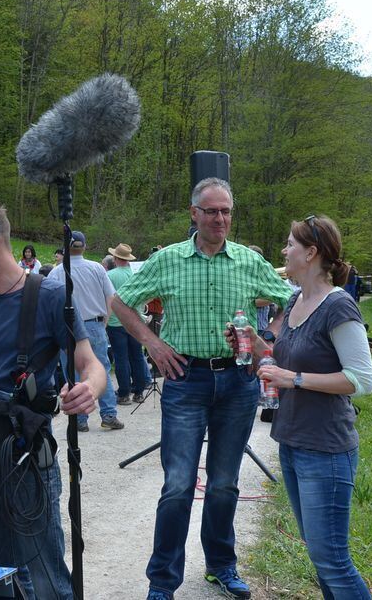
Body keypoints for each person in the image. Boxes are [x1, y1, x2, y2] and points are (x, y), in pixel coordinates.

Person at [111, 177, 293, 600]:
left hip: (238, 382)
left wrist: (268, 341)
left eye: (226, 211)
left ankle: (221, 566)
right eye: (211, 211)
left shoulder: (248, 261)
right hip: (185, 379)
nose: (220, 219)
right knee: (177, 484)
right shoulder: (169, 259)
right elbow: (120, 303)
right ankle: (162, 582)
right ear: (193, 213)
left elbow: (293, 300)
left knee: (225, 482)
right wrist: (153, 344)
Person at [0, 198, 105, 600]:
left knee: (46, 579)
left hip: (26, 458)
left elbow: (89, 361)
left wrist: (90, 389)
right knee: (0, 579)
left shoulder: (47, 294)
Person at [230, 215, 372, 599]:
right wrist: (249, 342)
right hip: (292, 442)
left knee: (333, 561)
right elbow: (280, 357)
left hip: (326, 449)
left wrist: (294, 379)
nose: (284, 251)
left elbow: (362, 380)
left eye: (290, 244)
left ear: (311, 253)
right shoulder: (295, 300)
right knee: (319, 555)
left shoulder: (338, 307)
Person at [46, 231, 124, 432]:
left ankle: (80, 418)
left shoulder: (57, 272)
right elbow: (110, 298)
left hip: (68, 327)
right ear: (84, 247)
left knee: (72, 373)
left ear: (65, 247)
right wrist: (104, 322)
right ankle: (108, 414)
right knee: (101, 370)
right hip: (94, 323)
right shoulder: (97, 268)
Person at [105, 243, 148, 404]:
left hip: (116, 322)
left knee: (121, 358)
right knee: (137, 356)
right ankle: (139, 391)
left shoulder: (110, 275)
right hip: (136, 321)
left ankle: (124, 393)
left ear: (115, 258)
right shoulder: (135, 274)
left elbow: (108, 298)